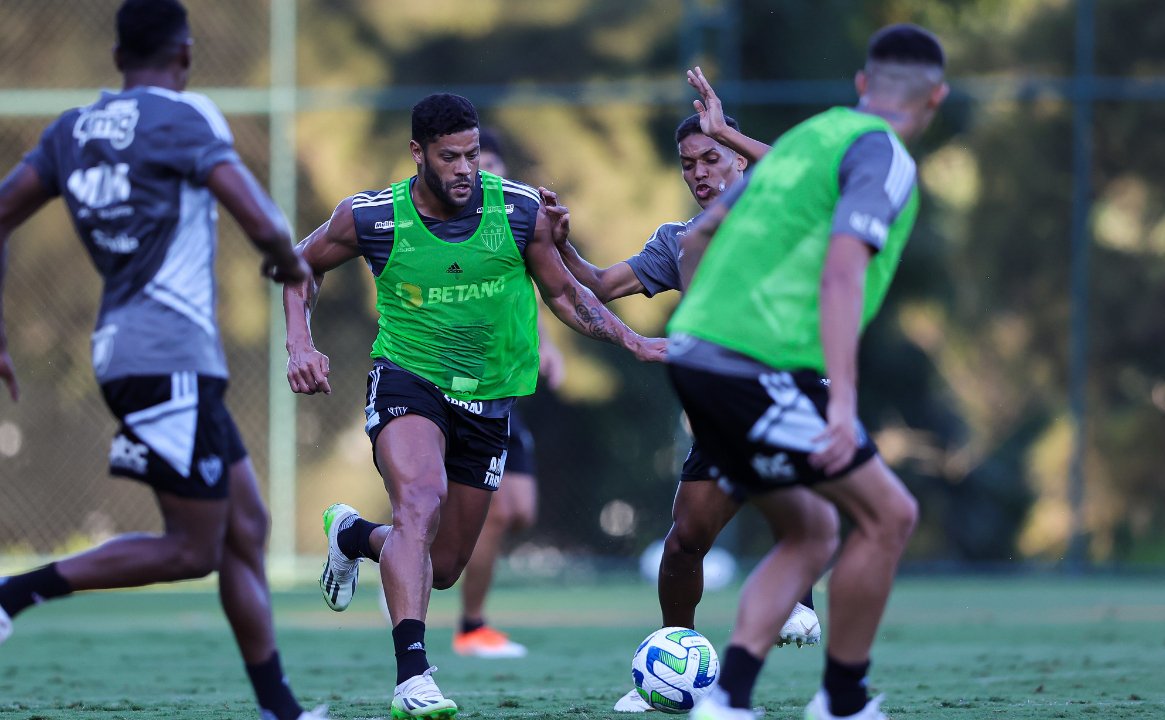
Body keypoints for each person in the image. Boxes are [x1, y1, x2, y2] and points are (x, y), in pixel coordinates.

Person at [283, 93, 664, 719]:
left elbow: (566, 296)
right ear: (418, 154)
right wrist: (301, 342)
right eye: (450, 157)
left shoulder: (519, 213)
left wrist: (632, 340)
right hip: (408, 380)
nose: (465, 168)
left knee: (444, 566)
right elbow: (298, 266)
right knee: (420, 500)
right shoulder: (373, 217)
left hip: (488, 400)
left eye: (471, 154)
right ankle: (414, 676)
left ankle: (352, 533)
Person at [0, 2, 325, 719]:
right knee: (193, 549)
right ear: (184, 55)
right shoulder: (186, 119)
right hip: (167, 357)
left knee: (247, 529)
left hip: (134, 352)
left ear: (118, 58)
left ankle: (283, 710)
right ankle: (13, 595)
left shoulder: (70, 131)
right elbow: (262, 219)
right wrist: (287, 264)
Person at [665, 25, 949, 720]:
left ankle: (728, 699)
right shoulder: (889, 160)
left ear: (860, 86)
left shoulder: (815, 135)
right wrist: (844, 404)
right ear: (936, 99)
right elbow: (845, 270)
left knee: (813, 531)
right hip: (757, 367)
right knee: (890, 514)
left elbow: (700, 235)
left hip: (698, 355)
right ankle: (844, 701)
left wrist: (698, 330)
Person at [547, 67, 827, 713]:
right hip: (722, 416)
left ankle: (802, 599)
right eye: (688, 164)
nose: (699, 172)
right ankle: (680, 664)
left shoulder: (777, 214)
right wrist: (563, 246)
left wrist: (727, 126)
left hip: (797, 390)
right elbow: (597, 285)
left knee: (803, 497)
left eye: (712, 157)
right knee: (682, 545)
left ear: (736, 159)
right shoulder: (677, 243)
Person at [451, 127, 566, 658]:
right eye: (479, 165)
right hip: (459, 385)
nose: (485, 175)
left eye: (493, 165)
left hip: (506, 388)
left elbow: (541, 290)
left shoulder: (514, 223)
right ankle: (473, 627)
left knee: (520, 509)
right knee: (492, 513)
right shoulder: (451, 230)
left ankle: (396, 547)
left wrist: (548, 347)